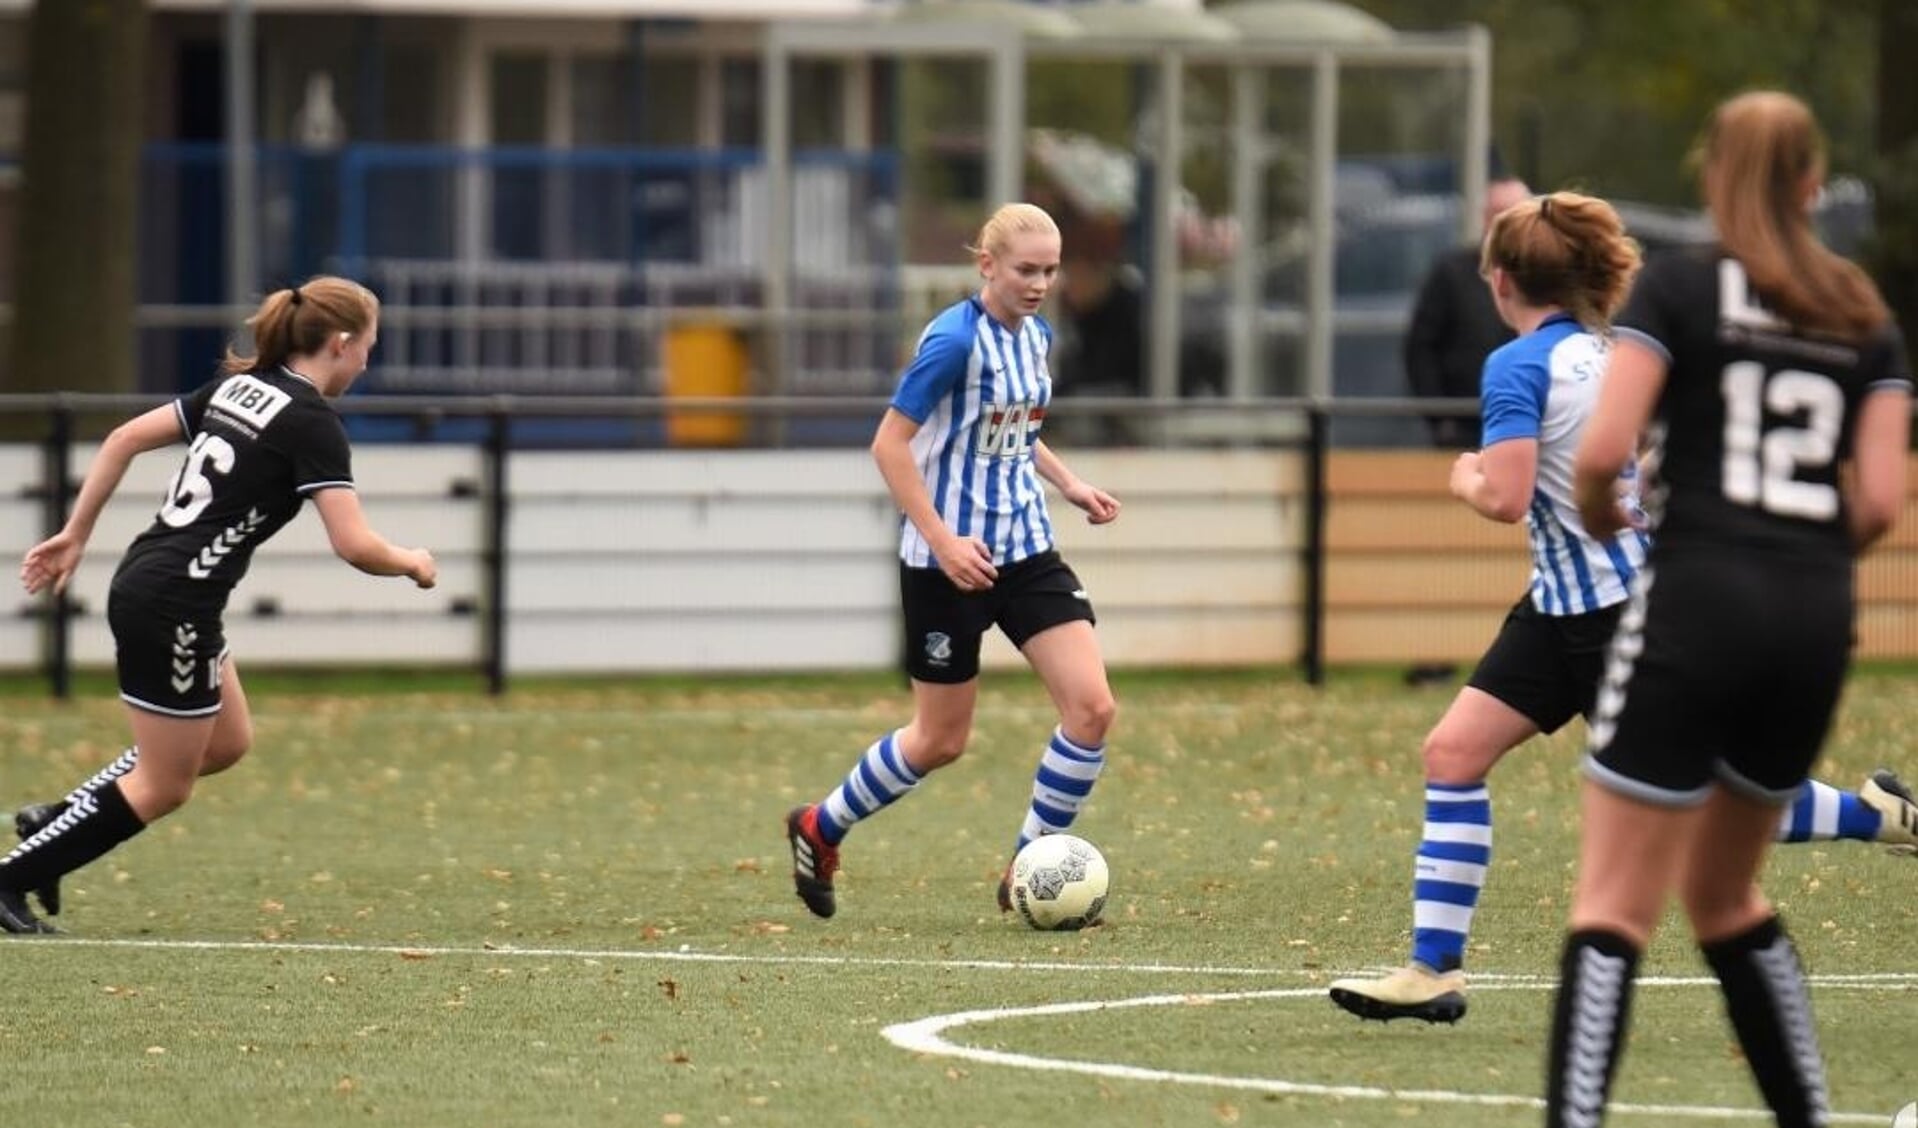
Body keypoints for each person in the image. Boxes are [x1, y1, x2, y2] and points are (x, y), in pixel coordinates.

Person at [1327, 188, 1918, 1025]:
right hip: (1562, 607)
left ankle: (1877, 814)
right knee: (1453, 751)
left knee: (1709, 808)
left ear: (1499, 279)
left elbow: (1505, 496)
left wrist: (1462, 473)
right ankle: (1433, 971)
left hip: (1618, 615)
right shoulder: (1619, 349)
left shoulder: (1518, 364)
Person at [1542, 91, 1911, 1127]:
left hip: (1696, 596)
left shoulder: (1679, 286)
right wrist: (1798, 561)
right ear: (1809, 182)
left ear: (1711, 174)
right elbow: (1881, 499)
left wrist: (1601, 512)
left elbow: (1607, 451)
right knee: (1727, 897)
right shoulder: (1860, 310)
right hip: (1812, 617)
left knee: (1612, 904)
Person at [4, 276, 437, 934]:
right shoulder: (311, 421)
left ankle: (63, 819)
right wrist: (411, 560)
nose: (368, 362)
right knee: (165, 784)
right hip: (174, 601)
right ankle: (15, 875)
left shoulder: (241, 388)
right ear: (342, 343)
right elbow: (353, 544)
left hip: (161, 587)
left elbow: (122, 437)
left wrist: (77, 532)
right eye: (369, 348)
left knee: (227, 740)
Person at [783, 202, 1121, 919]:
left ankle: (1027, 866)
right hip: (947, 564)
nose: (1039, 284)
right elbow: (889, 445)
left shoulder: (1036, 338)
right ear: (987, 266)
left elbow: (1013, 430)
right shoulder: (952, 342)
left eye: (1050, 271)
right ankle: (820, 825)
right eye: (1026, 270)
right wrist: (942, 539)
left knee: (1092, 709)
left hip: (1027, 551)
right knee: (941, 740)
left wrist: (1070, 484)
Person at [1404, 176, 1533, 449]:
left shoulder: (1545, 276)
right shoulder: (1451, 273)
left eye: (1516, 216)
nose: (1506, 226)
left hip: (1528, 423)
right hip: (1464, 427)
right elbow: (1420, 347)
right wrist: (1440, 419)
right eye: (1498, 215)